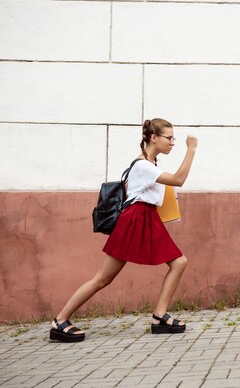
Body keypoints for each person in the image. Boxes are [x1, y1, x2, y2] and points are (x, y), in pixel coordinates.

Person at [49, 118, 198, 342]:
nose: (172, 143)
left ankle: (160, 316)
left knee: (179, 262)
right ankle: (60, 321)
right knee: (103, 279)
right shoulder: (143, 166)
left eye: (174, 139)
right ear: (154, 138)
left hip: (147, 219)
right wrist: (192, 148)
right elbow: (178, 180)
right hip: (135, 221)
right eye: (169, 138)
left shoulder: (149, 165)